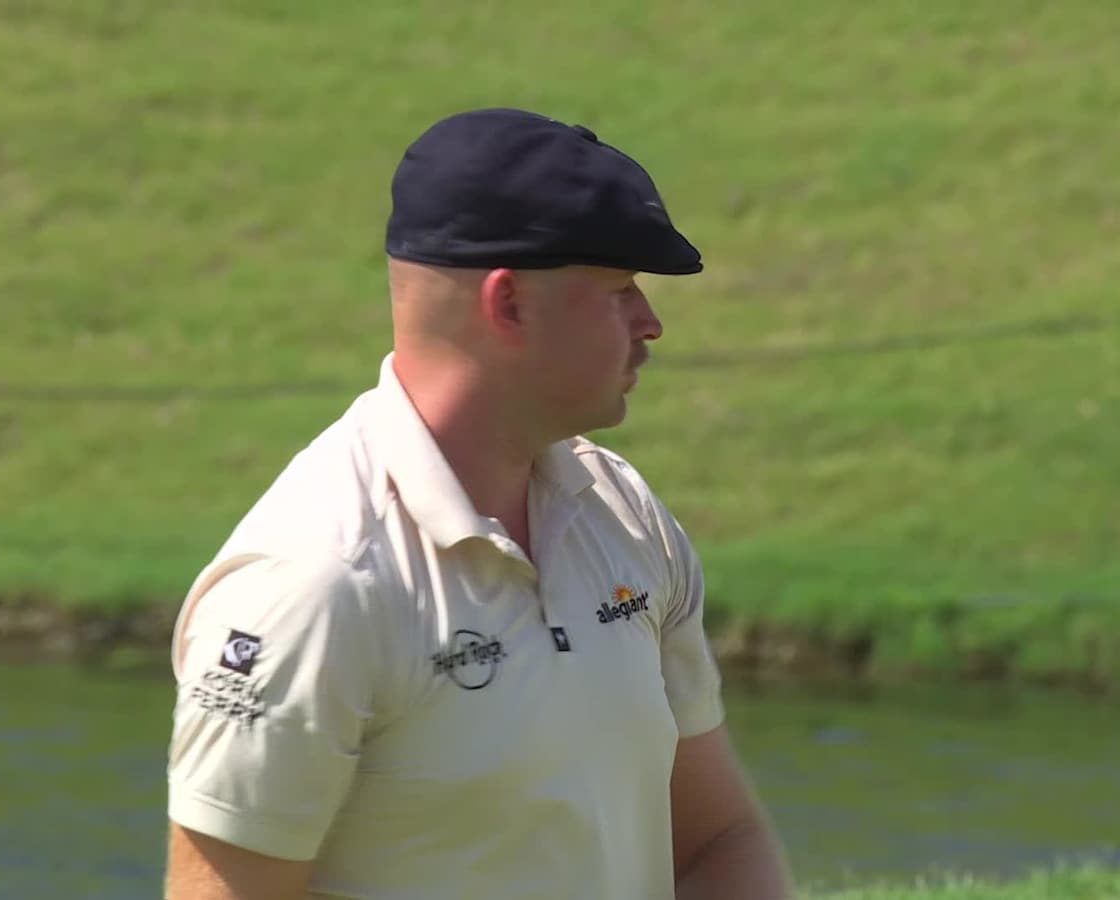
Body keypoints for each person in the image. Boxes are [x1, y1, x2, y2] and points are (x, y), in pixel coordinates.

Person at [162, 108, 795, 899]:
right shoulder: (315, 586)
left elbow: (715, 843)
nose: (651, 323)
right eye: (618, 289)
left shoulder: (623, 512)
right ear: (510, 305)